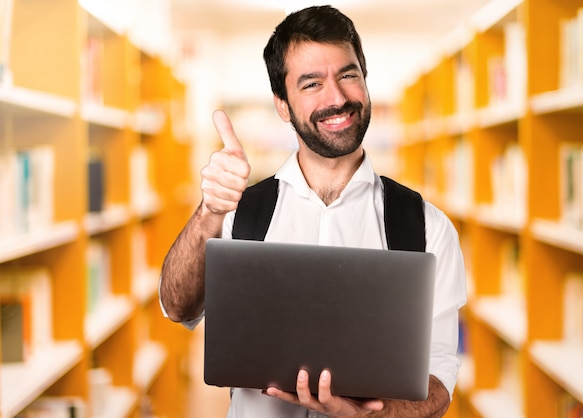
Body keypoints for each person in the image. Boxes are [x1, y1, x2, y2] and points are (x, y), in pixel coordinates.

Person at [159, 5, 466, 418]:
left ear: (366, 82)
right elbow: (178, 307)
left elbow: (439, 380)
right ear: (283, 105)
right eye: (311, 84)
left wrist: (371, 414)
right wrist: (209, 214)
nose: (337, 98)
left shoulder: (427, 228)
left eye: (348, 75)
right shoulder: (243, 214)